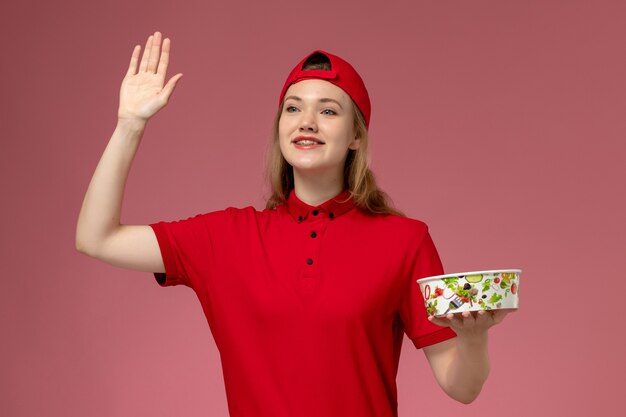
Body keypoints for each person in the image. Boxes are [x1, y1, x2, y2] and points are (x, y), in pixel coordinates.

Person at [76, 31, 509, 416]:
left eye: (328, 111)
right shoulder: (225, 238)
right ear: (280, 127)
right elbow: (97, 238)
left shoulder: (405, 241)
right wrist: (129, 125)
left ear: (356, 136)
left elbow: (462, 388)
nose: (307, 122)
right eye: (293, 108)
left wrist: (474, 339)